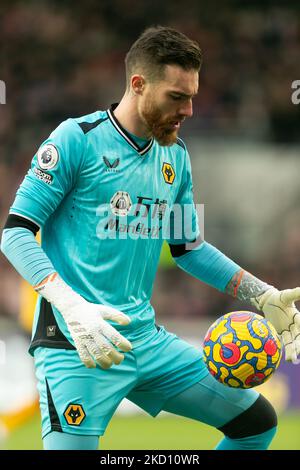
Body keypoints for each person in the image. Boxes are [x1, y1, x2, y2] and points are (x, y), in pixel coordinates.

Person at [1, 26, 300, 451]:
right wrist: (70, 305)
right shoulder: (76, 139)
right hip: (77, 343)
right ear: (138, 85)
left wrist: (261, 294)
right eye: (177, 97)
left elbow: (189, 249)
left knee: (256, 422)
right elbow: (14, 233)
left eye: (192, 96)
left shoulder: (175, 157)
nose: (190, 110)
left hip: (146, 340)